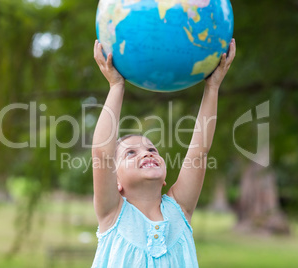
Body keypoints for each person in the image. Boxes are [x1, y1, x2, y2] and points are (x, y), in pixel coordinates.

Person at [91, 38, 236, 267]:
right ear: (115, 181)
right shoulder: (113, 214)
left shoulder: (179, 210)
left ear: (164, 177)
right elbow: (101, 153)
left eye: (151, 149)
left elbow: (199, 152)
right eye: (130, 153)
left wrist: (213, 87)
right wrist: (116, 86)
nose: (146, 153)